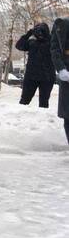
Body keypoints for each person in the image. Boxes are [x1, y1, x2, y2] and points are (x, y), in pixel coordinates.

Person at [16, 23, 54, 108]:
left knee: (44, 103)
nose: (40, 34)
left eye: (42, 31)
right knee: (24, 101)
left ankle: (42, 119)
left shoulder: (52, 42)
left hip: (47, 77)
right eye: (38, 31)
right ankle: (21, 119)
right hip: (31, 77)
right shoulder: (31, 42)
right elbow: (19, 46)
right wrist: (28, 34)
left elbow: (60, 49)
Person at [50, 15, 69, 143]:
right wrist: (61, 69)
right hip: (67, 75)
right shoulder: (60, 24)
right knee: (68, 116)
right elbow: (54, 48)